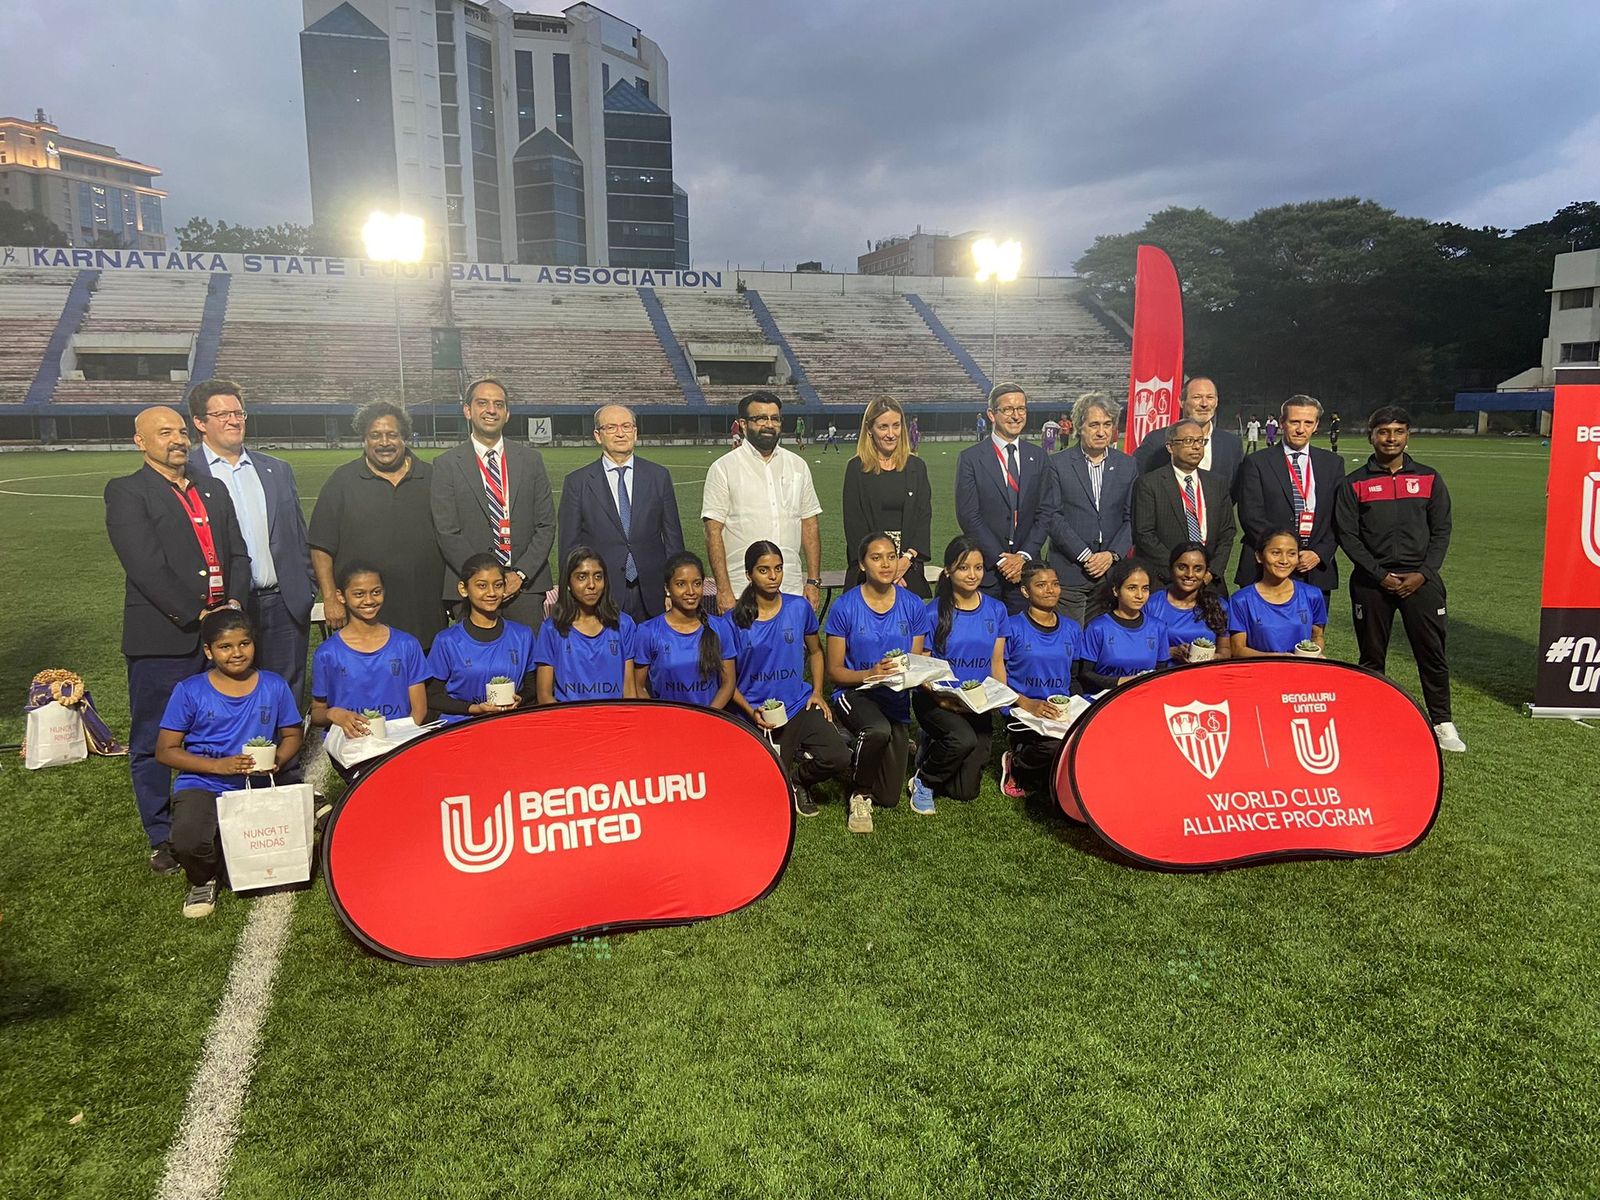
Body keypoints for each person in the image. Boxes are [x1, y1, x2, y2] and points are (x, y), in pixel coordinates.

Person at [105, 405, 251, 875]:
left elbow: (237, 553)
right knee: (154, 738)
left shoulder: (212, 488)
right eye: (164, 432)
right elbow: (144, 565)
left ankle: (224, 816)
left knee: (224, 729)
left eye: (181, 431)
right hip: (164, 638)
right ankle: (162, 835)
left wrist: (233, 607)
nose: (177, 440)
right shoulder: (127, 491)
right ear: (140, 441)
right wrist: (198, 613)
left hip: (221, 633)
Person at [154, 610, 302, 919]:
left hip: (257, 784)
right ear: (209, 651)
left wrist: (277, 759)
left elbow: (292, 735)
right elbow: (165, 751)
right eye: (225, 646)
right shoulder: (190, 690)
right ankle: (203, 878)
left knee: (273, 849)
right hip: (204, 782)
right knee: (189, 841)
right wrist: (218, 766)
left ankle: (226, 848)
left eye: (244, 643)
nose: (237, 653)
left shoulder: (274, 685)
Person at [1335, 406, 1463, 752]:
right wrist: (1379, 575)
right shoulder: (1354, 483)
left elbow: (1442, 531)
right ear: (1371, 436)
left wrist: (1424, 573)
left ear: (1408, 435)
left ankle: (1442, 722)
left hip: (1421, 581)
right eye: (1383, 432)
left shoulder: (1429, 478)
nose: (1391, 438)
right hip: (1372, 583)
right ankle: (1371, 719)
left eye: (1398, 431)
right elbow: (1348, 536)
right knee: (1372, 656)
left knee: (1431, 653)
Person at [186, 379, 316, 706]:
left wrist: (307, 587)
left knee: (287, 692)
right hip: (224, 605)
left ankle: (286, 743)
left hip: (284, 601)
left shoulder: (277, 469)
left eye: (238, 413)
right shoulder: (187, 473)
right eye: (223, 414)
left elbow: (298, 534)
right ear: (200, 422)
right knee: (230, 695)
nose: (234, 421)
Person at [309, 399, 447, 651]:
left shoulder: (432, 478)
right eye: (375, 435)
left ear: (404, 438)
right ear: (364, 439)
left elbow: (452, 536)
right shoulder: (342, 481)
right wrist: (330, 597)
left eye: (392, 434)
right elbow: (321, 546)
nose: (384, 442)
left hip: (424, 611)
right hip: (365, 614)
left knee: (423, 672)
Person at [728, 541, 851, 818]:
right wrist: (751, 711)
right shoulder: (732, 621)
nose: (773, 576)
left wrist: (817, 692)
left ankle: (799, 780)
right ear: (749, 575)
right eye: (764, 570)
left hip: (797, 706)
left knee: (839, 757)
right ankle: (784, 768)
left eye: (778, 568)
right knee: (767, 794)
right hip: (757, 714)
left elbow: (816, 652)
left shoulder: (799, 608)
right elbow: (728, 682)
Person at [826, 532, 934, 831]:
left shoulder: (913, 604)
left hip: (894, 697)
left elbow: (913, 662)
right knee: (877, 729)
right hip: (854, 691)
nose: (886, 564)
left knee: (888, 796)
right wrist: (869, 674)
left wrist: (917, 674)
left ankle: (854, 748)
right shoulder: (845, 606)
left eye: (890, 557)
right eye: (876, 558)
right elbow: (835, 671)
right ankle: (859, 795)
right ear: (862, 564)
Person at [431, 375, 556, 627]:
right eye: (482, 403)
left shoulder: (531, 460)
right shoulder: (446, 464)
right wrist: (483, 579)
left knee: (527, 653)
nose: (491, 410)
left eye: (499, 404)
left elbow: (546, 525)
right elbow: (447, 531)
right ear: (468, 410)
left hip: (525, 587)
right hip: (471, 587)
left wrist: (520, 574)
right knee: (475, 653)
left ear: (507, 414)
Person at [558, 403, 684, 622]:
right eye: (611, 427)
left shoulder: (658, 476)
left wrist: (673, 588)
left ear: (635, 432)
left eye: (626, 426)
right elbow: (569, 546)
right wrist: (572, 595)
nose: (620, 433)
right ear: (598, 435)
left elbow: (673, 539)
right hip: (600, 594)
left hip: (652, 593)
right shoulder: (577, 482)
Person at [703, 390, 823, 612]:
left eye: (775, 418)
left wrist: (813, 581)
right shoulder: (723, 468)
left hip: (791, 589)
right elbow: (713, 533)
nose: (769, 424)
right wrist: (724, 589)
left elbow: (809, 525)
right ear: (743, 424)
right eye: (760, 418)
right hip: (741, 591)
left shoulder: (798, 465)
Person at [910, 536, 1006, 806]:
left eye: (978, 567)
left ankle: (933, 744)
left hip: (977, 702)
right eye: (963, 568)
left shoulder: (996, 609)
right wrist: (941, 700)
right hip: (938, 700)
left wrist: (999, 697)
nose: (972, 574)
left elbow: (997, 661)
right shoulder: (932, 612)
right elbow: (921, 667)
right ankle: (924, 780)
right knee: (962, 740)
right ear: (948, 571)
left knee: (965, 792)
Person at [955, 381, 1058, 614]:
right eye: (1008, 409)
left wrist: (1022, 557)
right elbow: (968, 515)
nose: (1016, 415)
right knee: (987, 632)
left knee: (1023, 633)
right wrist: (1001, 560)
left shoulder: (1039, 457)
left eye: (1021, 409)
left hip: (1026, 571)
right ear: (992, 414)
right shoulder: (971, 458)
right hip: (986, 569)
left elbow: (1046, 511)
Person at [1235, 395, 1344, 598]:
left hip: (1314, 568)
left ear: (1316, 425)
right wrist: (1284, 553)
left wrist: (1320, 553)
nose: (1301, 429)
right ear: (1282, 422)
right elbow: (1251, 515)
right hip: (1267, 568)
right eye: (1294, 422)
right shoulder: (1257, 462)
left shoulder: (1332, 463)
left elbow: (1339, 517)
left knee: (1314, 621)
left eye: (1308, 423)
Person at [309, 561, 429, 737]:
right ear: (341, 596)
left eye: (376, 592)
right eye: (359, 594)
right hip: (350, 746)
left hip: (398, 743)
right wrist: (333, 714)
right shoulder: (327, 653)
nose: (369, 600)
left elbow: (419, 710)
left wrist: (397, 741)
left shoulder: (407, 645)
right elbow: (317, 713)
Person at [1047, 391, 1136, 625]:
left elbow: (1132, 518)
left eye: (1107, 424)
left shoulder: (1127, 464)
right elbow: (1052, 516)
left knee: (1103, 641)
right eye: (1094, 424)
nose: (1101, 432)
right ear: (1079, 427)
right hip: (1069, 572)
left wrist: (1111, 554)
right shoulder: (1056, 464)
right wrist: (1086, 556)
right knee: (1070, 640)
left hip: (1110, 574)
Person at [995, 560, 1080, 799]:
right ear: (1025, 591)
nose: (1050, 590)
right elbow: (997, 676)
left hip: (1059, 713)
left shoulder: (1072, 629)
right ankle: (1017, 763)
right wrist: (1025, 703)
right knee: (1055, 747)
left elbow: (1074, 676)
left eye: (1055, 584)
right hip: (1023, 711)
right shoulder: (1012, 627)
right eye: (1041, 585)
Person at [425, 553, 538, 722]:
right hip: (462, 725)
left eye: (498, 585)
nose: (491, 593)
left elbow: (532, 686)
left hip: (509, 723)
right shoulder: (447, 641)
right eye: (482, 586)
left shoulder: (522, 635)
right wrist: (474, 709)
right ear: (463, 589)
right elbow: (432, 696)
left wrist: (520, 699)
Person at [842, 397, 933, 598]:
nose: (891, 434)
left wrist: (905, 560)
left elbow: (923, 517)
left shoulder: (916, 467)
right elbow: (854, 525)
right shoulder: (856, 469)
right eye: (883, 427)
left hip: (908, 569)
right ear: (870, 429)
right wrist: (882, 568)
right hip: (868, 572)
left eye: (896, 426)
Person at [1131, 419, 1237, 587]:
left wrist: (1211, 571)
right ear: (1170, 447)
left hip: (1209, 581)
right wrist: (1180, 569)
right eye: (1188, 441)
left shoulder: (1217, 483)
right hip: (1167, 581)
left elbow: (1227, 532)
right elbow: (1144, 534)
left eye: (1200, 441)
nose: (1196, 447)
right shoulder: (1150, 484)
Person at [533, 546, 639, 704]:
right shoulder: (551, 628)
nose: (592, 585)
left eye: (598, 577)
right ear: (568, 583)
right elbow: (544, 696)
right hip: (569, 717)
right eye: (582, 577)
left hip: (613, 717)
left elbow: (629, 690)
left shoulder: (623, 624)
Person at [634, 552, 735, 708]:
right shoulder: (648, 632)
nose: (691, 591)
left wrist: (708, 716)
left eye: (697, 583)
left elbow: (728, 683)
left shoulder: (720, 627)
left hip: (709, 719)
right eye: (681, 584)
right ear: (667, 588)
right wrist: (658, 717)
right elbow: (639, 686)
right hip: (667, 720)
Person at [1133, 375, 1245, 497]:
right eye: (1197, 397)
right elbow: (1138, 484)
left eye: (1210, 397)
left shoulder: (1232, 444)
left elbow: (1234, 491)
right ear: (1181, 401)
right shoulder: (1156, 441)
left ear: (1217, 402)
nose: (1204, 404)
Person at [1228, 530, 1329, 657]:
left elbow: (1317, 636)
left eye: (1292, 554)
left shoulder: (1312, 595)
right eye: (1276, 553)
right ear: (1259, 556)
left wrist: (1315, 654)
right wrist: (1274, 659)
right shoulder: (1241, 600)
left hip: (1301, 668)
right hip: (1261, 668)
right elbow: (1237, 650)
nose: (1284, 560)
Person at [1077, 559, 1166, 692]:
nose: (1139, 595)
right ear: (1116, 590)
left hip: (1145, 696)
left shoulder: (1158, 628)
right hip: (1105, 697)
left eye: (1145, 589)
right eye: (1132, 588)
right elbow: (1085, 674)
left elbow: (1161, 673)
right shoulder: (1097, 628)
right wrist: (1120, 682)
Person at [1145, 543, 1233, 663]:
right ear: (1170, 569)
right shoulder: (1151, 604)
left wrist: (1212, 658)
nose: (1190, 574)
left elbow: (1225, 650)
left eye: (1198, 569)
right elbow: (1137, 648)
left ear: (1206, 573)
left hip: (1205, 672)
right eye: (1182, 567)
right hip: (1163, 672)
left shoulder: (1218, 605)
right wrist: (1170, 652)